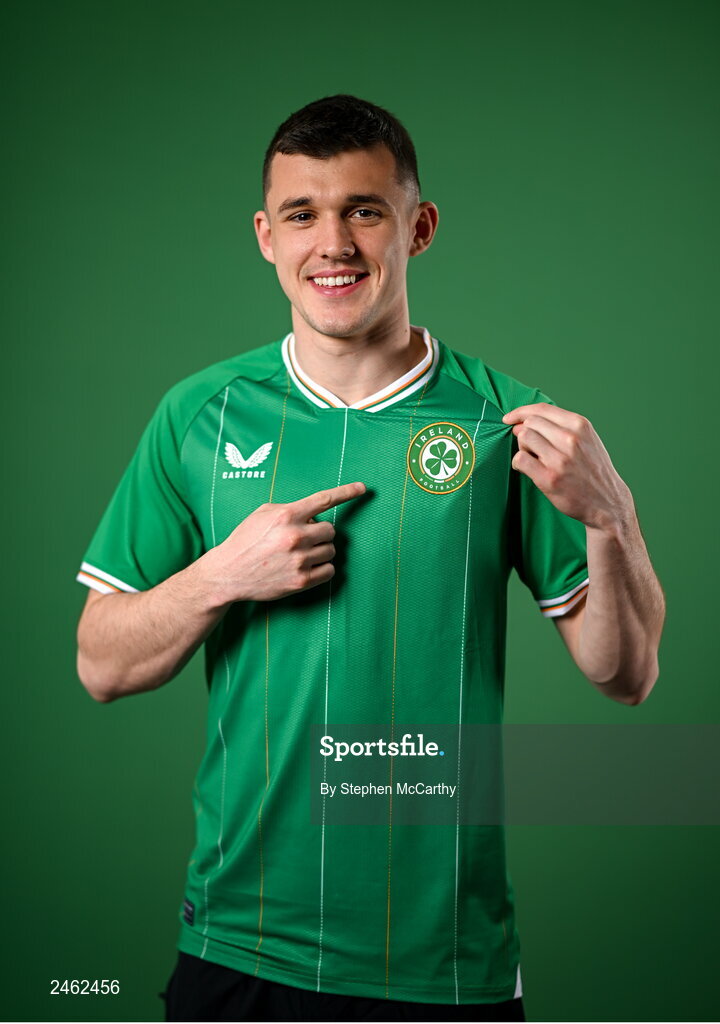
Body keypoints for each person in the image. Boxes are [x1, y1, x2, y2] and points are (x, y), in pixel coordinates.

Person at [75, 94, 665, 1022]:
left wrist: (614, 517)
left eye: (364, 209)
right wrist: (224, 575)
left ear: (417, 227)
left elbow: (624, 673)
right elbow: (99, 663)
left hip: (442, 963)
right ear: (266, 236)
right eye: (303, 215)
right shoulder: (200, 413)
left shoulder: (505, 421)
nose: (334, 243)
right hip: (238, 941)